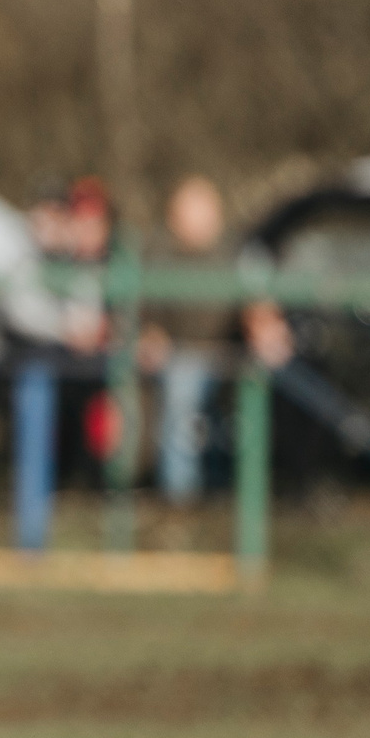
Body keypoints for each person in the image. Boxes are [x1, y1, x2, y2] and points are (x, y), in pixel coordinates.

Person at [139, 175, 235, 506]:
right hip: (180, 355)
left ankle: (221, 488)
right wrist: (151, 334)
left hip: (226, 352)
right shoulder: (159, 254)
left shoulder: (234, 254)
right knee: (183, 387)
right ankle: (181, 498)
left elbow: (254, 301)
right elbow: (146, 312)